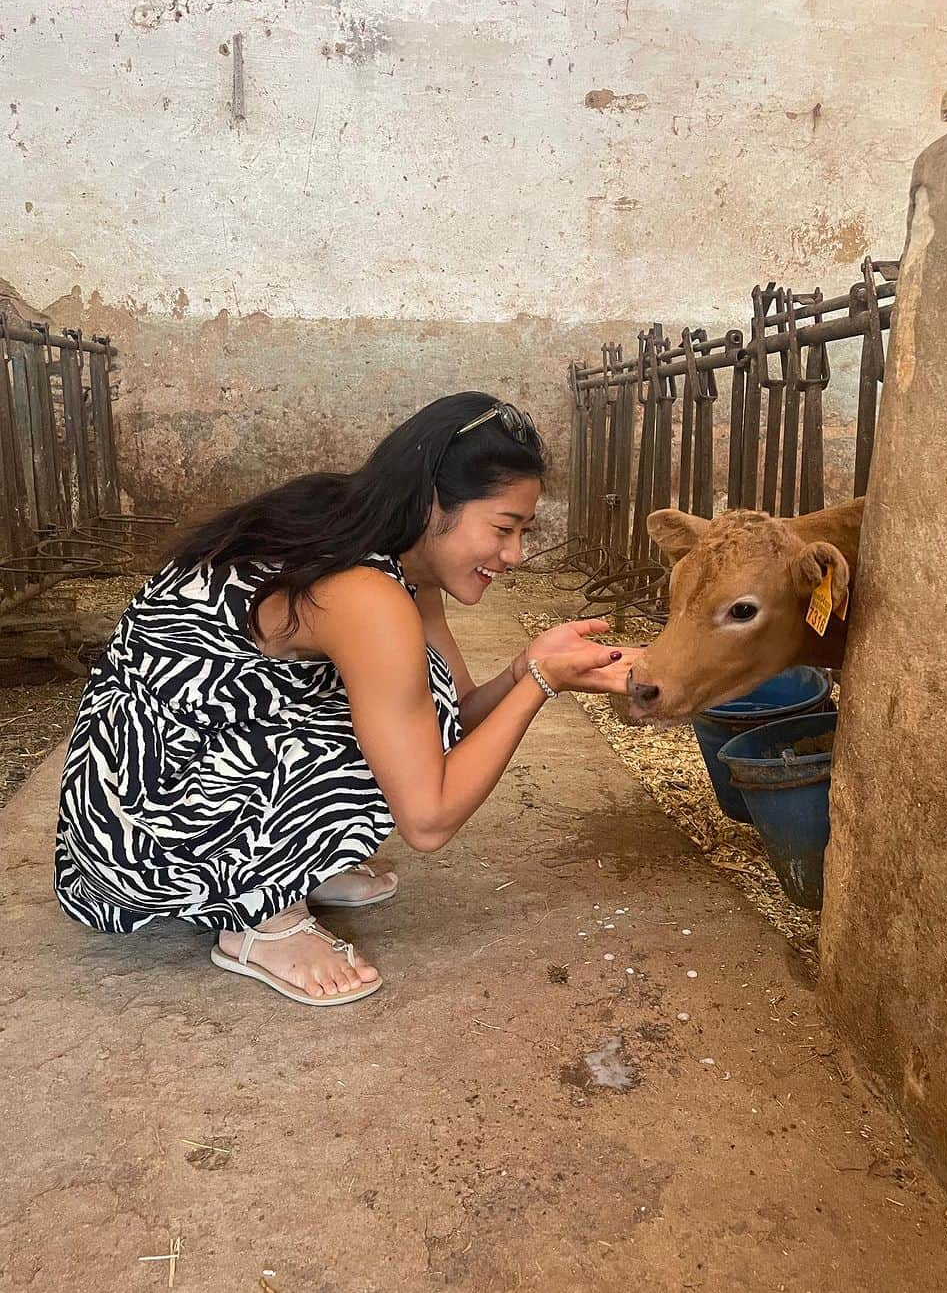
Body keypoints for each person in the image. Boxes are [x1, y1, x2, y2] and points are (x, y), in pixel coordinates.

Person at [54, 393, 639, 1007]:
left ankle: (292, 866)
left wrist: (526, 666)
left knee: (417, 707)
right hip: (137, 823)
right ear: (433, 503)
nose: (514, 555)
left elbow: (455, 718)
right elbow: (428, 817)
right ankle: (258, 924)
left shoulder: (392, 553)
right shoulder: (367, 593)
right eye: (503, 528)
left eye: (523, 532)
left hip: (158, 767)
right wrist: (543, 687)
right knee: (400, 725)